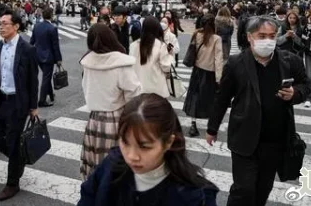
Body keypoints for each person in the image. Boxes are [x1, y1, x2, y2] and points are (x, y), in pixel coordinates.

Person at [206, 16, 311, 206]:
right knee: (243, 189)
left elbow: (306, 85)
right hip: (244, 138)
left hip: (274, 139)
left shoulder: (289, 61)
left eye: (272, 36)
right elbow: (222, 98)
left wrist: (295, 93)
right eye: (262, 35)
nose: (268, 41)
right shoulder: (236, 63)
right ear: (249, 37)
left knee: (263, 188)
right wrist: (212, 128)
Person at [78, 93, 219, 206]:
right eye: (125, 142)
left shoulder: (195, 196)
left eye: (144, 147)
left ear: (168, 142)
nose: (132, 156)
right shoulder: (110, 166)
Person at [79, 23, 142, 180]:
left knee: (96, 165)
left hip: (94, 119)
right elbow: (134, 94)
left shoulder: (87, 61)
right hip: (117, 117)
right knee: (116, 165)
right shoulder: (121, 63)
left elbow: (86, 87)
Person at [0, 10, 39, 201]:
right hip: (0, 99)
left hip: (18, 102)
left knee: (13, 140)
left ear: (16, 26)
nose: (1, 27)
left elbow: (33, 80)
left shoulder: (27, 49)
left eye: (5, 24)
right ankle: (18, 160)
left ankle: (12, 183)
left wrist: (33, 106)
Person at [183, 14, 223, 137]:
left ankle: (193, 125)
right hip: (210, 73)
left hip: (197, 71)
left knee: (194, 97)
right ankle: (210, 125)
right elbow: (218, 59)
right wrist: (219, 78)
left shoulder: (196, 34)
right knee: (210, 99)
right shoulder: (216, 38)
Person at [129, 17, 173, 98]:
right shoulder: (161, 45)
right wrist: (170, 55)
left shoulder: (133, 45)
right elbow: (166, 67)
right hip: (156, 88)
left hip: (138, 87)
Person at [30, 7, 62, 107]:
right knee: (46, 78)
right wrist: (58, 59)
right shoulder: (52, 28)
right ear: (51, 16)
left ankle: (51, 95)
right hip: (48, 57)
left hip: (38, 55)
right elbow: (55, 46)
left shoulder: (36, 26)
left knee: (46, 77)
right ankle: (42, 100)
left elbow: (32, 42)